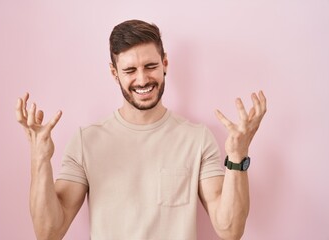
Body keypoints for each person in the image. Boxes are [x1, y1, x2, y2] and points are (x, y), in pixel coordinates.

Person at [16, 19, 266, 240]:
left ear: (165, 63)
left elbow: (230, 229)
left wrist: (237, 156)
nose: (143, 79)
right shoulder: (86, 141)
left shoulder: (197, 138)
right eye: (129, 70)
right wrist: (40, 159)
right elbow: (48, 232)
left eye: (150, 66)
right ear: (114, 74)